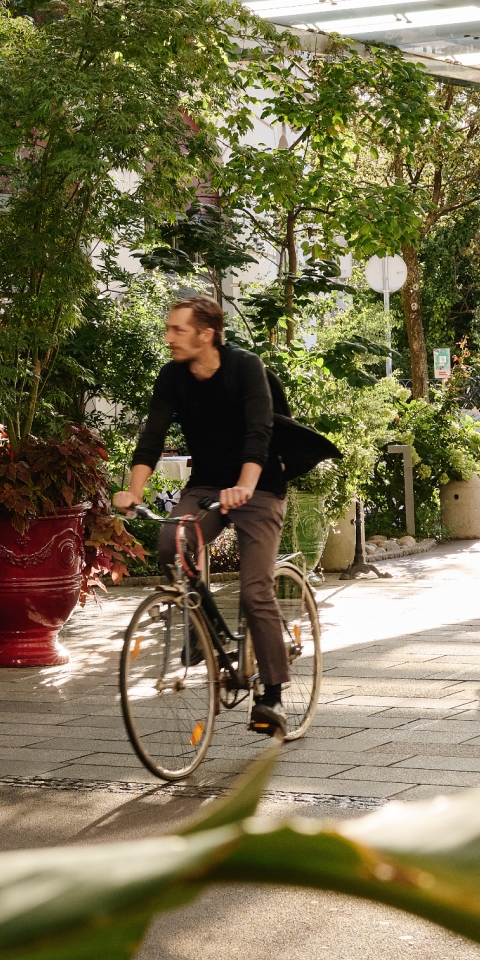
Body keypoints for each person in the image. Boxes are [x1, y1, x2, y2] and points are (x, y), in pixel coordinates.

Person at [113, 295, 292, 738]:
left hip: (259, 486)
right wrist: (133, 491)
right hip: (208, 485)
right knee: (171, 541)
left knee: (254, 592)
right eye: (169, 329)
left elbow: (259, 432)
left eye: (177, 330)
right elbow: (152, 437)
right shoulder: (173, 377)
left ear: (205, 334)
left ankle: (271, 695)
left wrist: (247, 484)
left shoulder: (243, 367)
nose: (169, 337)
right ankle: (200, 625)